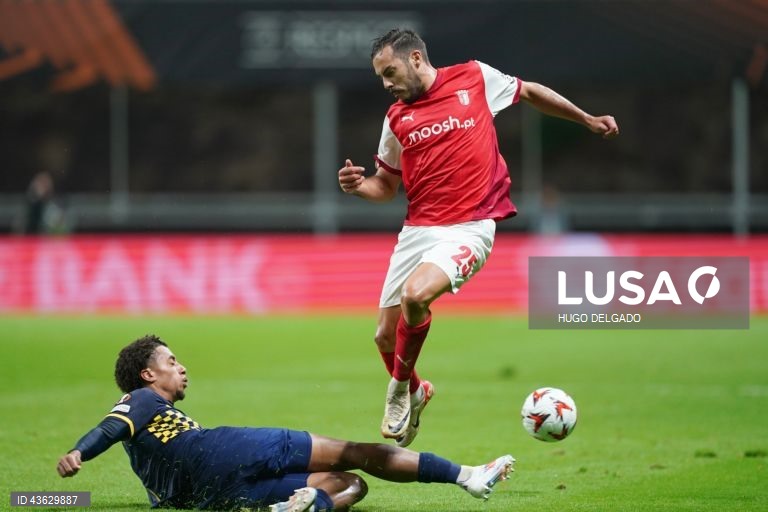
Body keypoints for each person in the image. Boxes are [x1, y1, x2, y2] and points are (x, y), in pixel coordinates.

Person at [337, 28, 619, 447]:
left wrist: (586, 119)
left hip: (470, 226)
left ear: (416, 59)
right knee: (383, 335)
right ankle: (417, 389)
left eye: (391, 71)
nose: (386, 83)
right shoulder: (396, 118)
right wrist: (357, 186)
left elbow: (529, 92)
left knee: (416, 296)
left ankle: (398, 391)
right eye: (380, 76)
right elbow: (386, 186)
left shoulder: (473, 77)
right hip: (418, 231)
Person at [56, 335, 515, 511]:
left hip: (208, 497)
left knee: (348, 484)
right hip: (221, 450)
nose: (182, 368)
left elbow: (155, 487)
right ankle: (468, 477)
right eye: (172, 362)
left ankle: (312, 505)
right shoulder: (138, 400)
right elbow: (109, 428)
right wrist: (80, 451)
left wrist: (47, 495)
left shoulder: (150, 438)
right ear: (147, 375)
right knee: (357, 453)